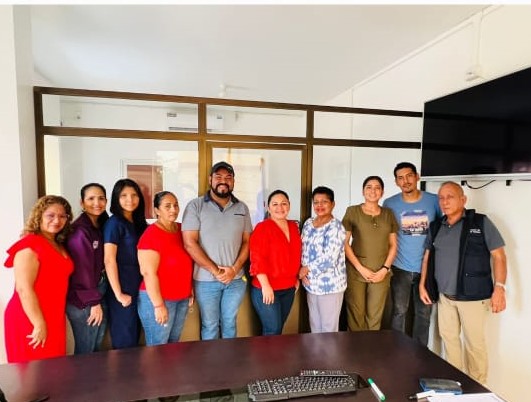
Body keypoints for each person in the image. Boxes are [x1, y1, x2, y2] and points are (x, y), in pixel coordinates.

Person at [419, 181, 507, 384]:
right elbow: (427, 258)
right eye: (441, 198)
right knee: (449, 342)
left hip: (473, 298)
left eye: (450, 197)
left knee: (475, 346)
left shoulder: (480, 222)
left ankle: (478, 387)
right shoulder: (436, 226)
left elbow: (499, 256)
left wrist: (500, 288)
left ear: (463, 199)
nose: (445, 201)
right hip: (445, 298)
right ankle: (455, 384)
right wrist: (423, 284)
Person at [182, 161, 252, 340]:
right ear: (210, 179)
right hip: (206, 280)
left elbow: (247, 242)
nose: (223, 181)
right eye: (218, 176)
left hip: (235, 280)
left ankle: (229, 357)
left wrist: (234, 270)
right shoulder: (195, 206)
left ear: (233, 181)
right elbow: (190, 243)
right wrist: (216, 271)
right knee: (210, 324)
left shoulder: (242, 208)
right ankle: (212, 358)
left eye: (228, 177)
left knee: (229, 322)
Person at [4, 195, 74, 363]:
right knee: (31, 372)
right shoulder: (29, 244)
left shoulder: (57, 243)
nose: (57, 220)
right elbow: (23, 288)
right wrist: (38, 323)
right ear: (39, 216)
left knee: (53, 370)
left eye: (62, 216)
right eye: (51, 215)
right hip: (30, 316)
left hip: (54, 315)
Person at [383, 162, 441, 345]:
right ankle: (396, 350)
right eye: (400, 178)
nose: (405, 181)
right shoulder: (389, 204)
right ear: (396, 182)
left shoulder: (434, 200)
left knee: (424, 313)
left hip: (427, 268)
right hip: (400, 267)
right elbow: (386, 235)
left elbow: (443, 228)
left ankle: (420, 352)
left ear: (417, 176)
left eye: (409, 176)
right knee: (399, 311)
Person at [137, 191, 194, 346]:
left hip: (181, 297)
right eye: (167, 206)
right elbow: (148, 273)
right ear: (157, 210)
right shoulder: (151, 235)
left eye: (176, 205)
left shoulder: (182, 230)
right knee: (158, 346)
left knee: (173, 344)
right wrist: (158, 305)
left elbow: (186, 264)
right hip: (159, 299)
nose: (173, 209)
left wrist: (190, 289)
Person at [342, 176, 398, 331]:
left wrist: (385, 269)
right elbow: (344, 243)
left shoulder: (388, 214)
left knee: (374, 317)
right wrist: (361, 268)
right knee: (356, 315)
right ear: (363, 191)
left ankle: (371, 346)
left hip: (381, 272)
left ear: (382, 192)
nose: (373, 191)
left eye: (377, 187)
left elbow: (393, 245)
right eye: (369, 187)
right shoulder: (352, 211)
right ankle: (355, 346)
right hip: (356, 271)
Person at [249, 190, 302, 336]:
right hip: (267, 288)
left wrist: (296, 278)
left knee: (278, 330)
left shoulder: (293, 226)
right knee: (273, 330)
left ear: (289, 205)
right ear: (268, 207)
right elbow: (257, 258)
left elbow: (296, 254)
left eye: (284, 203)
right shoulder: (262, 228)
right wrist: (266, 286)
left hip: (288, 288)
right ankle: (266, 353)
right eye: (275, 204)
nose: (280, 208)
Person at [104, 178, 148, 349]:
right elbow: (109, 259)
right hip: (122, 286)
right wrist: (118, 294)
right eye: (124, 195)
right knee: (125, 337)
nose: (130, 199)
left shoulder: (139, 223)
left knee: (136, 333)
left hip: (139, 285)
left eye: (134, 195)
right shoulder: (114, 223)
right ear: (116, 198)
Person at [66, 183, 109, 354]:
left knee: (95, 346)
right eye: (91, 198)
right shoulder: (80, 230)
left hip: (97, 291)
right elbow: (82, 270)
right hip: (83, 297)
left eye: (101, 198)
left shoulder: (99, 225)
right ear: (82, 203)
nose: (96, 203)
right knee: (86, 351)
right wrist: (93, 302)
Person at [299, 186, 347, 333]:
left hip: (330, 286)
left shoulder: (336, 227)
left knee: (328, 328)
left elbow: (329, 258)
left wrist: (305, 270)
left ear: (333, 204)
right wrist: (302, 272)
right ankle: (316, 350)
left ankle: (329, 350)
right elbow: (302, 249)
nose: (319, 205)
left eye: (324, 202)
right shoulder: (308, 223)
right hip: (311, 284)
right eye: (316, 202)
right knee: (315, 325)